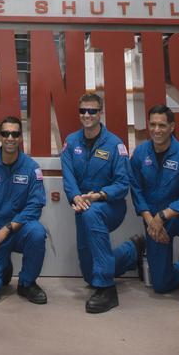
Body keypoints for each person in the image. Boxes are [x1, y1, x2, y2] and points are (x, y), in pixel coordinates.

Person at [124, 105, 179, 316]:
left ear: (172, 127)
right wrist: (150, 220)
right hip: (152, 219)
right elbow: (136, 189)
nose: (156, 129)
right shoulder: (140, 153)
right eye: (152, 124)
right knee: (160, 284)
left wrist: (163, 216)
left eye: (162, 125)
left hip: (177, 216)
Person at [60, 91, 136, 314]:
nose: (87, 115)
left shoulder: (115, 144)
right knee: (88, 274)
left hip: (110, 206)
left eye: (92, 111)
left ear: (100, 113)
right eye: (83, 111)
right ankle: (131, 250)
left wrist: (99, 196)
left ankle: (107, 289)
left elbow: (123, 184)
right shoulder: (71, 142)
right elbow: (68, 176)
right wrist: (76, 197)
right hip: (81, 207)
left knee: (93, 213)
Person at [0, 117, 47, 304]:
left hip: (19, 231)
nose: (10, 138)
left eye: (15, 134)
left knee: (37, 232)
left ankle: (27, 283)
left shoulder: (31, 168)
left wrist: (8, 229)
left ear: (21, 138)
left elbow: (35, 206)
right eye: (5, 133)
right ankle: (3, 266)